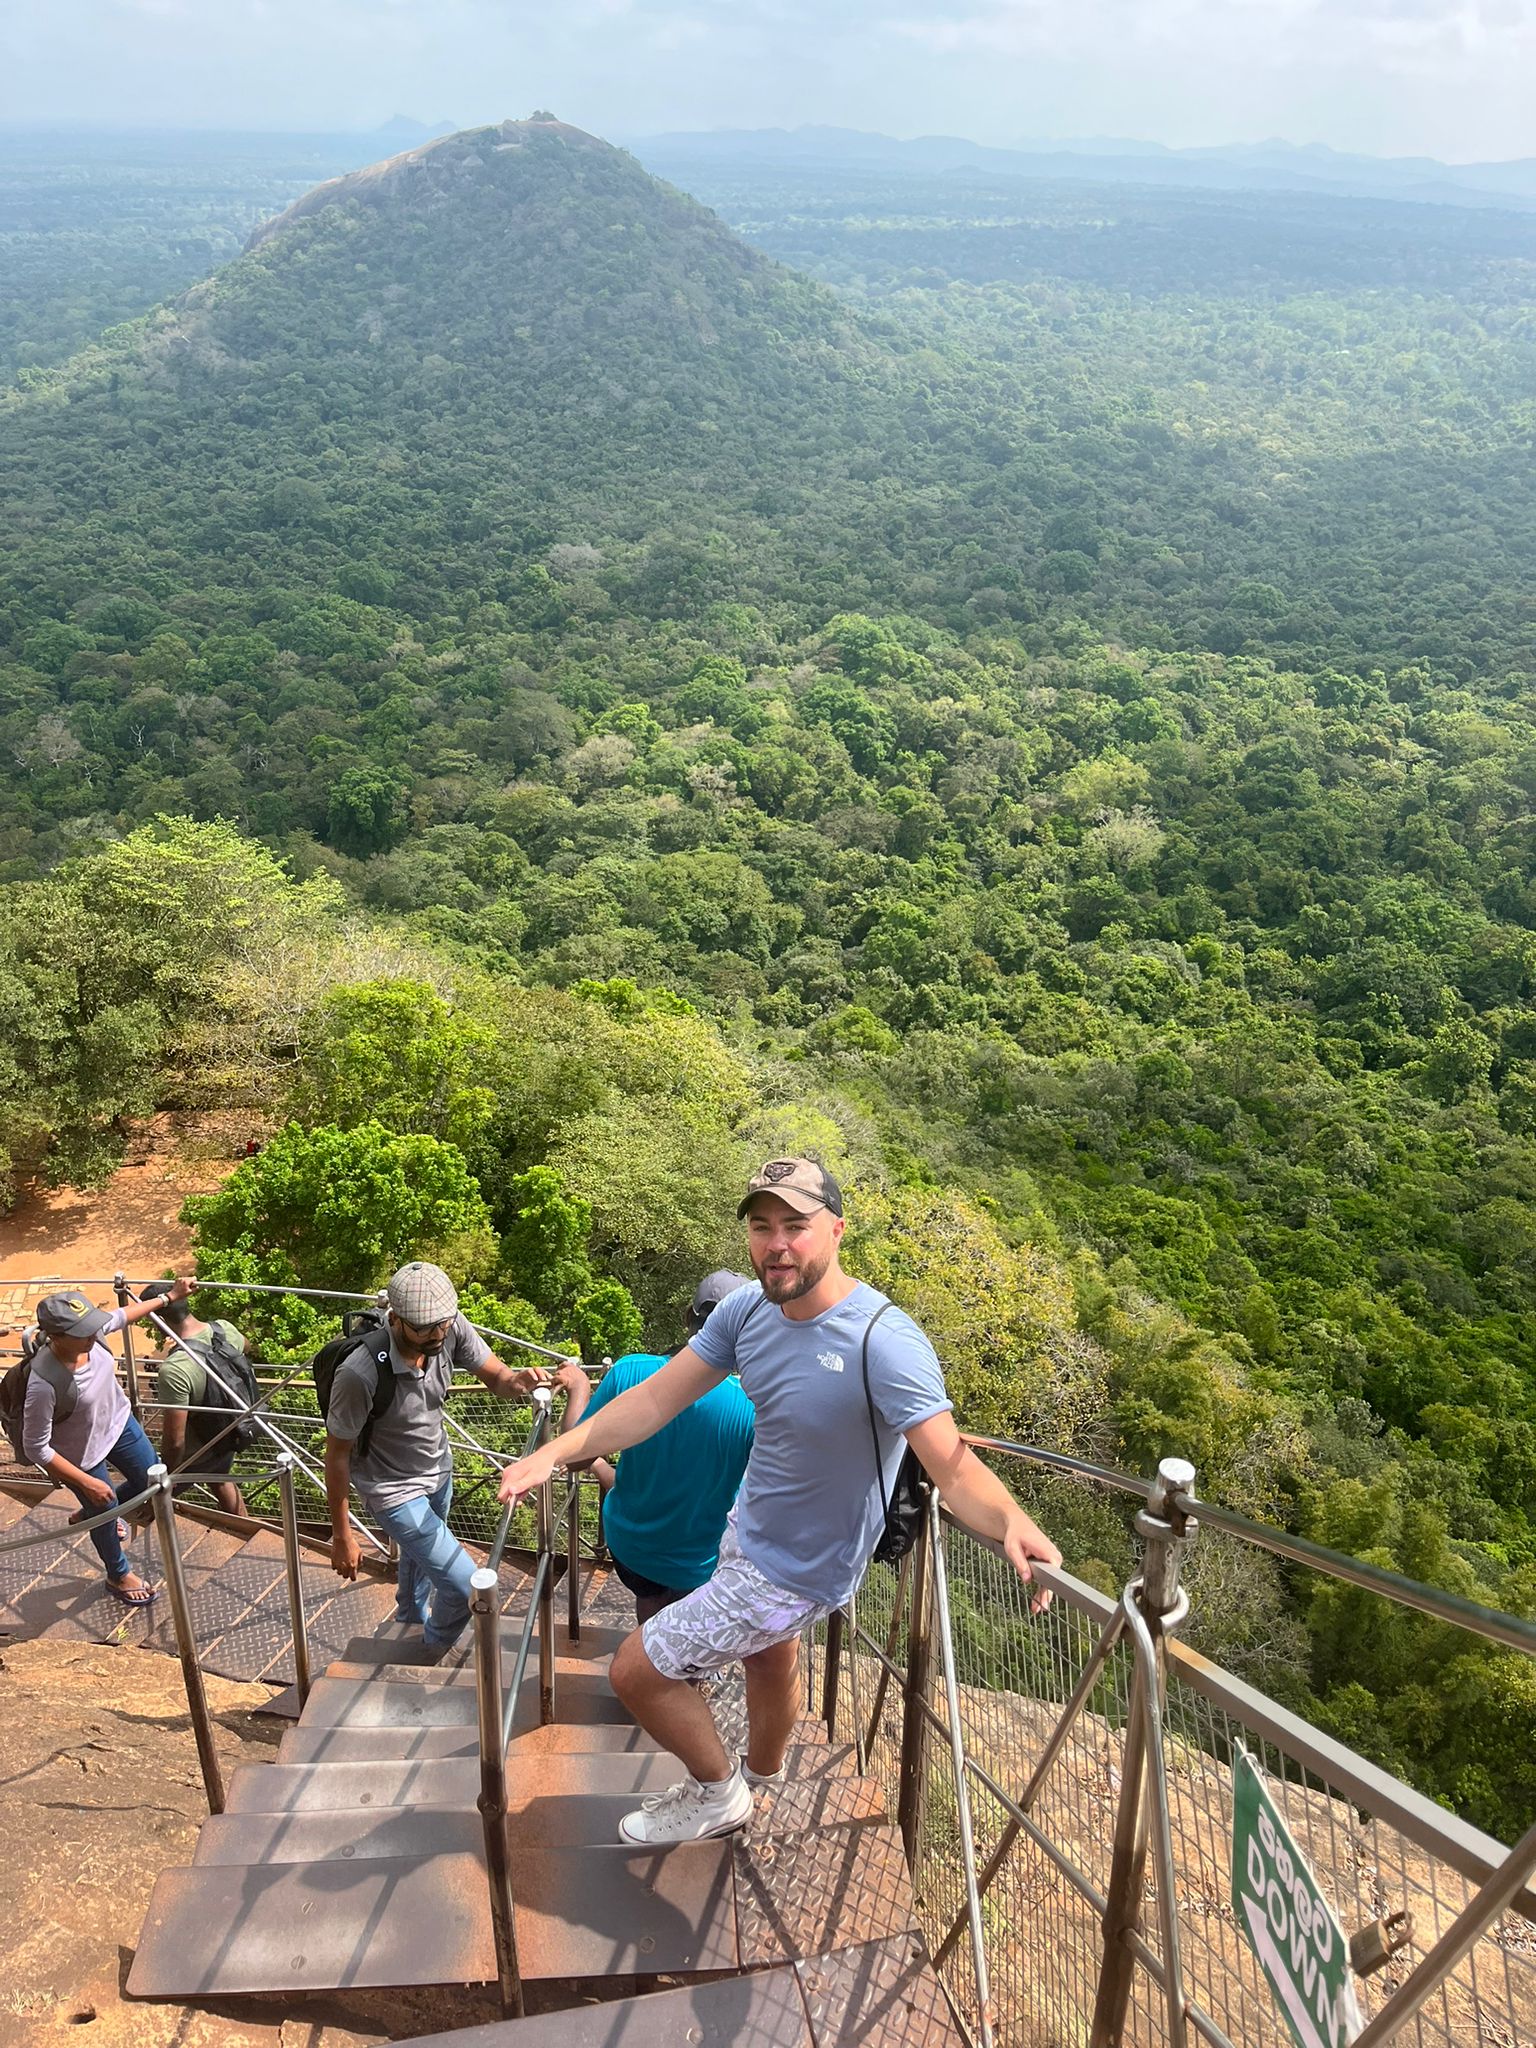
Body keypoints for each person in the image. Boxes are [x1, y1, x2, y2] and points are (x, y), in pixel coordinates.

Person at [500, 1157, 1061, 1846]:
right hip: (748, 1528)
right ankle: (760, 1781)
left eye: (796, 1225)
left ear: (836, 1230)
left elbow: (950, 1462)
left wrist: (1011, 1521)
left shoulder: (882, 1341)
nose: (777, 1243)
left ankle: (718, 1792)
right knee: (770, 1659)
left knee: (635, 1670)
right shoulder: (746, 1312)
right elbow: (654, 1399)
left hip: (802, 1569)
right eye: (762, 1226)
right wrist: (552, 1454)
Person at [325, 1260, 549, 1654]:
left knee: (420, 1562)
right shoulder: (358, 1374)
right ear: (395, 1318)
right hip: (392, 1490)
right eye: (425, 1327)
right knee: (467, 1587)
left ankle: (409, 1620)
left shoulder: (449, 1324)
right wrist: (342, 1535)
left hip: (437, 1470)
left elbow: (497, 1377)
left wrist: (519, 1382)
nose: (438, 1334)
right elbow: (338, 1455)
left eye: (443, 1324)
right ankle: (431, 1650)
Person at [557, 1270, 756, 1624]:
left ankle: (649, 1652)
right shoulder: (753, 1407)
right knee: (689, 1629)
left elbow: (574, 1458)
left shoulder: (630, 1372)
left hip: (633, 1550)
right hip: (701, 1561)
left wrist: (579, 1388)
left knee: (649, 1604)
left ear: (687, 1318)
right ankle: (686, 1671)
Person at [21, 1279, 196, 1607]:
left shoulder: (92, 1336)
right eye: (83, 1331)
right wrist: (87, 1483)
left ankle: (93, 1511)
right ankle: (118, 1574)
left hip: (119, 1424)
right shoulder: (43, 1385)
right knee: (104, 1509)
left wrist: (170, 1296)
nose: (93, 1333)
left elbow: (123, 1315)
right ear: (57, 1337)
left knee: (153, 1480)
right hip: (82, 1454)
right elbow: (36, 1447)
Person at [140, 1282, 252, 1516]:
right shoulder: (224, 1329)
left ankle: (147, 1522)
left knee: (146, 1496)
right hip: (234, 1431)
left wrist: (167, 1475)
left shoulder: (176, 1369)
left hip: (198, 1453)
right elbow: (247, 1346)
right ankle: (244, 1526)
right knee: (221, 1479)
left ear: (159, 1321)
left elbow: (175, 1441)